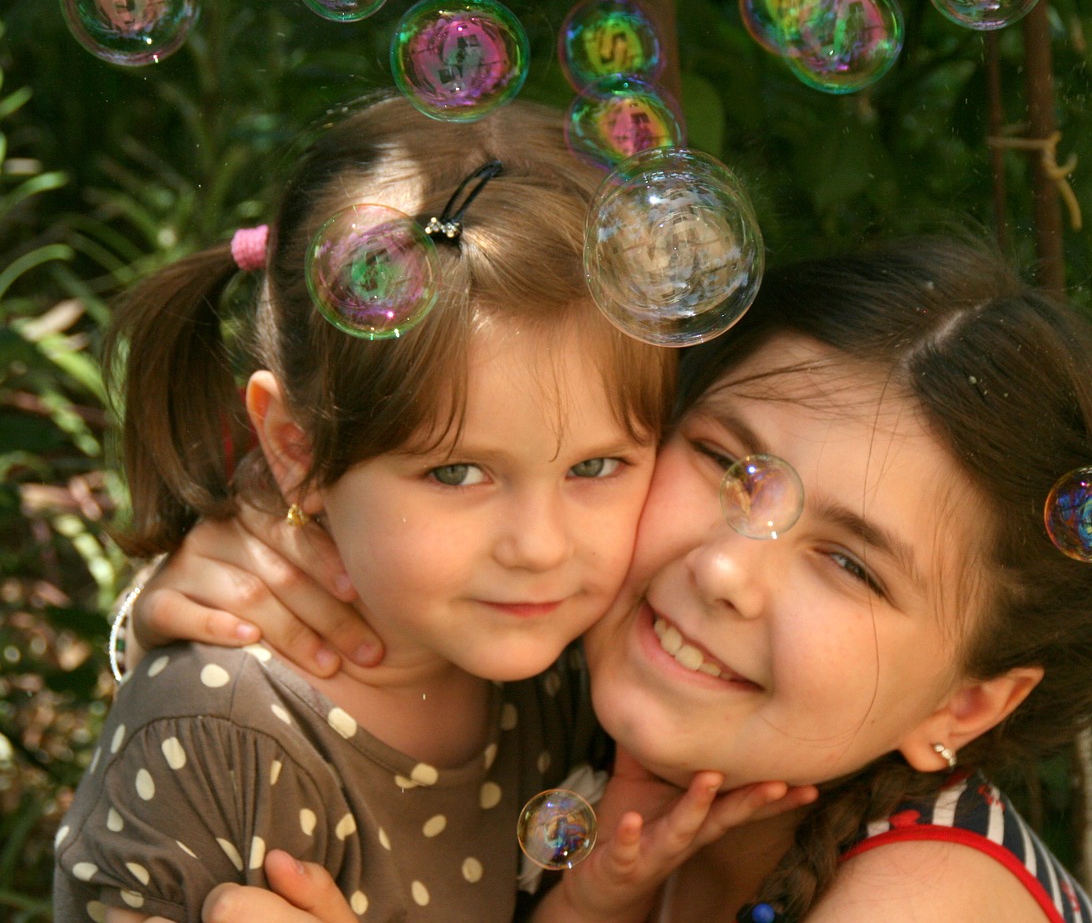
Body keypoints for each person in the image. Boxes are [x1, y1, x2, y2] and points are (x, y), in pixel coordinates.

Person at [121, 234, 1092, 923]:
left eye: (848, 564)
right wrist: (238, 611)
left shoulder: (925, 902)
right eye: (725, 464)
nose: (723, 571)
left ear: (965, 702)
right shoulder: (559, 694)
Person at [53, 94, 808, 923]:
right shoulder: (222, 733)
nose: (539, 546)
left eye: (595, 465)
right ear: (293, 450)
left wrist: (592, 905)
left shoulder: (574, 670)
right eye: (456, 473)